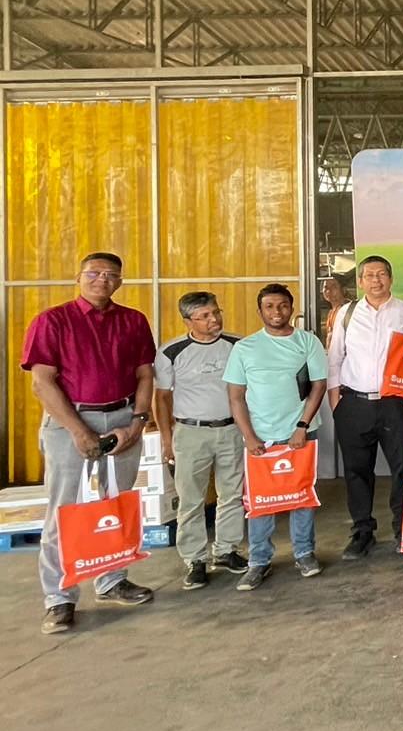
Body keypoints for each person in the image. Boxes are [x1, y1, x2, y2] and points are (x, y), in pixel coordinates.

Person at [23, 252, 157, 635]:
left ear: (120, 282)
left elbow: (145, 375)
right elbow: (42, 382)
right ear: (79, 276)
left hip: (122, 419)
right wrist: (79, 432)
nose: (102, 280)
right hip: (70, 421)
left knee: (115, 505)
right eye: (94, 273)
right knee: (64, 511)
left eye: (111, 275)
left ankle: (112, 579)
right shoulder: (53, 321)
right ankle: (59, 598)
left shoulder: (133, 321)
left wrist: (137, 422)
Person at [225, 283, 329, 591]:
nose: (276, 312)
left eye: (282, 305)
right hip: (261, 438)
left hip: (300, 434)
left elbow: (318, 386)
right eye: (269, 306)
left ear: (291, 308)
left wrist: (301, 426)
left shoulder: (306, 341)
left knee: (301, 497)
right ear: (260, 311)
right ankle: (259, 560)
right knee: (262, 501)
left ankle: (304, 553)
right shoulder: (245, 348)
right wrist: (249, 436)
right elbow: (236, 397)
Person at [326, 255, 403, 561]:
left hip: (395, 404)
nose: (376, 280)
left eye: (381, 274)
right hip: (354, 403)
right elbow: (335, 357)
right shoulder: (346, 313)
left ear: (391, 278)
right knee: (356, 470)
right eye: (369, 275)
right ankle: (362, 531)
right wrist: (336, 403)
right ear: (360, 281)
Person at [154, 291, 247, 589]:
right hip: (190, 432)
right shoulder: (172, 351)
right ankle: (195, 559)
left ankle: (226, 550)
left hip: (230, 429)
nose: (214, 320)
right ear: (188, 320)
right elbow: (162, 398)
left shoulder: (238, 345)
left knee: (232, 493)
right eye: (205, 316)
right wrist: (166, 439)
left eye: (216, 312)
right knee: (191, 498)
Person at [321, 274, 352, 342]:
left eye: (333, 287)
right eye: (325, 287)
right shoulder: (332, 312)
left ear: (343, 289)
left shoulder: (348, 309)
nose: (328, 291)